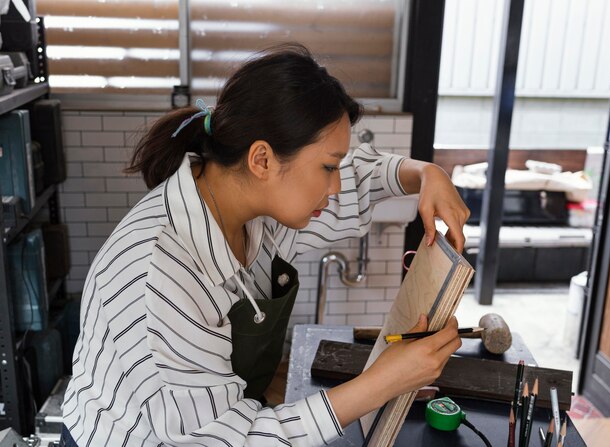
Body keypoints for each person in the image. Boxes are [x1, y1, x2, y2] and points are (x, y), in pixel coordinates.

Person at [62, 43, 470, 446]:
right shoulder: (161, 275)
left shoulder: (250, 204)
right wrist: (384, 382)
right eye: (328, 167)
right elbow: (223, 440)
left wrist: (424, 173)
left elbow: (361, 176)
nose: (337, 184)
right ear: (262, 160)